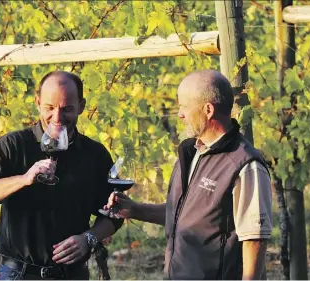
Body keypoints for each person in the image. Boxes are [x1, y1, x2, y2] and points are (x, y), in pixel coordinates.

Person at [105, 70, 272, 280]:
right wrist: (134, 209)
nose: (179, 114)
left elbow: (254, 239)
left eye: (184, 106)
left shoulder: (244, 164)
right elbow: (182, 215)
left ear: (208, 110)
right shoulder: (192, 152)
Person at [0, 71, 122, 280]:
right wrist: (23, 179)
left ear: (81, 107)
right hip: (17, 274)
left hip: (72, 274)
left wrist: (89, 238)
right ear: (38, 102)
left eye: (67, 109)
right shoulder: (13, 145)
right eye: (49, 108)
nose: (57, 118)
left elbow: (115, 213)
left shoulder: (95, 154)